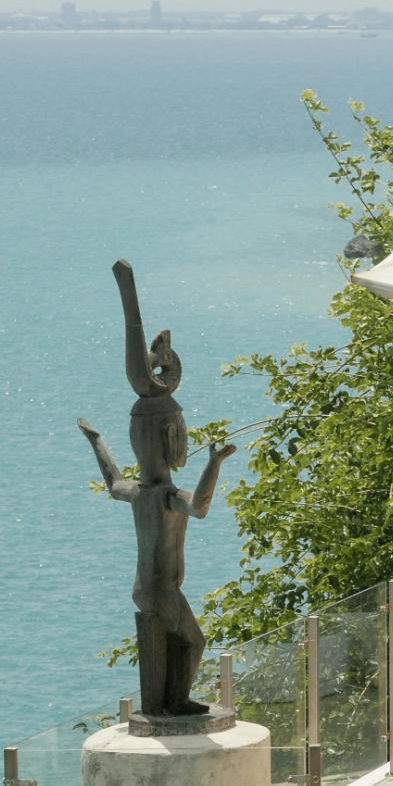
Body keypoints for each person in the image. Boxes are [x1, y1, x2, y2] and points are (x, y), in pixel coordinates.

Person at [77, 260, 235, 718]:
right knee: (195, 642)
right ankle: (176, 702)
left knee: (174, 642)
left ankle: (165, 703)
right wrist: (213, 464)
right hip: (163, 590)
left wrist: (97, 440)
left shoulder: (139, 492)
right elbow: (200, 507)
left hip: (141, 589)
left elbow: (112, 482)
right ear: (171, 438)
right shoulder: (166, 497)